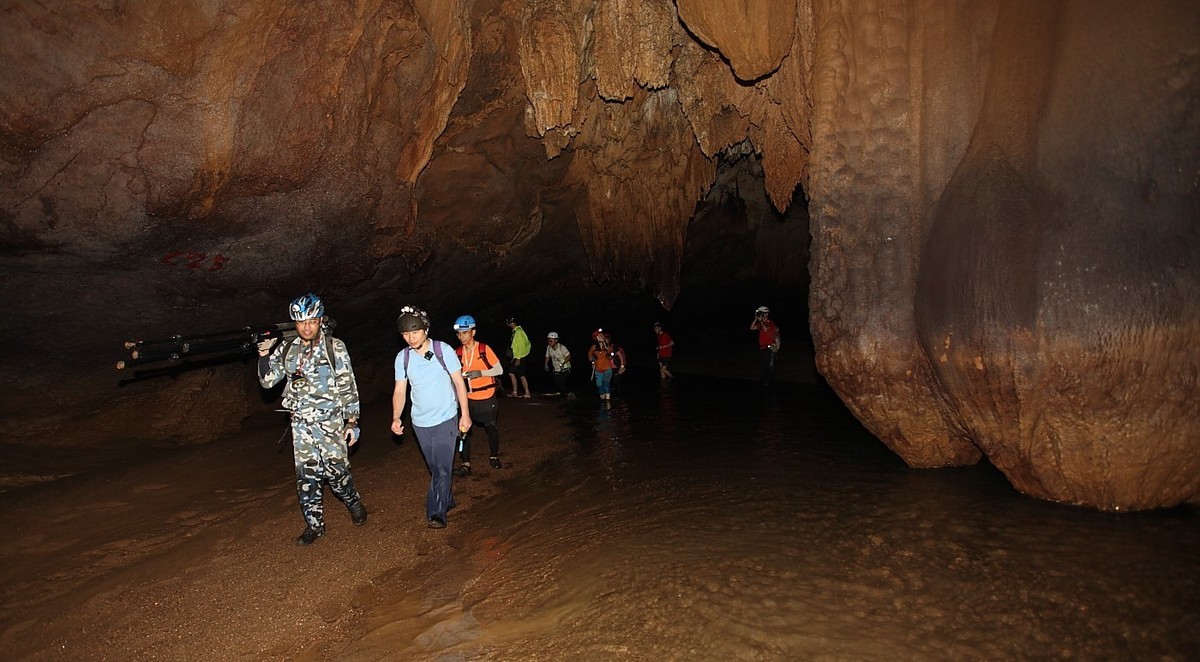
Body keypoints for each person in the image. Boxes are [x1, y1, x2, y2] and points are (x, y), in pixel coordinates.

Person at [256, 293, 367, 546]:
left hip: (330, 423)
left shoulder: (334, 346)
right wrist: (263, 354)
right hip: (301, 425)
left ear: (320, 320)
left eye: (312, 321)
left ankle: (353, 501)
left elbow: (348, 385)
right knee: (306, 476)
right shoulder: (286, 348)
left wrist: (352, 422)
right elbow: (268, 380)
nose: (307, 327)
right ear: (294, 323)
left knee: (337, 474)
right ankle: (314, 525)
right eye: (301, 322)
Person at [390, 306, 473, 528]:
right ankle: (448, 499)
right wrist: (396, 416)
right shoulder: (403, 358)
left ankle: (436, 513)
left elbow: (459, 382)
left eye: (414, 332)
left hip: (447, 417)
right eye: (406, 334)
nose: (410, 338)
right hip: (420, 422)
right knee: (435, 466)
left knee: (443, 467)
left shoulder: (442, 350)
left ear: (425, 329)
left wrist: (465, 415)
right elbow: (400, 390)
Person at [451, 315, 504, 475]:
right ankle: (466, 463)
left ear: (473, 332)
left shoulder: (484, 349)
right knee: (464, 430)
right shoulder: (457, 352)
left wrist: (480, 373)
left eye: (465, 333)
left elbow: (499, 369)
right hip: (467, 399)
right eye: (459, 334)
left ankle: (494, 456)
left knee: (491, 428)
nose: (462, 337)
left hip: (486, 397)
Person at [750, 305, 781, 386]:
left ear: (766, 314)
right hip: (762, 348)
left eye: (762, 314)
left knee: (771, 367)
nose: (761, 315)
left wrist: (761, 321)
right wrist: (756, 319)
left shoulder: (770, 323)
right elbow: (752, 328)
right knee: (764, 367)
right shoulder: (761, 323)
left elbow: (766, 330)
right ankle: (765, 383)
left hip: (770, 348)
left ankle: (774, 383)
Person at [587, 328, 619, 400]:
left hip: (607, 368)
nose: (601, 336)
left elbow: (610, 353)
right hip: (598, 369)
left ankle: (608, 401)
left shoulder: (606, 346)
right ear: (596, 338)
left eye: (602, 335)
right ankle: (603, 401)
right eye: (599, 335)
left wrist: (605, 344)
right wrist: (593, 359)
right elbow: (589, 357)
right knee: (599, 385)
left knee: (606, 383)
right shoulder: (593, 347)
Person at [505, 316, 532, 398]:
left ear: (511, 323)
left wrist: (518, 358)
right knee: (521, 374)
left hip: (520, 356)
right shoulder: (516, 331)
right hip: (518, 356)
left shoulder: (518, 332)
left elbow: (520, 346)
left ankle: (517, 392)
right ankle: (524, 393)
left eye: (508, 323)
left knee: (512, 373)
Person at [543, 331, 572, 396]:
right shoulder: (549, 347)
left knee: (562, 382)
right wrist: (546, 364)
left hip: (565, 367)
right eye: (549, 340)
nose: (549, 342)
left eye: (551, 340)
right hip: (556, 368)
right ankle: (561, 394)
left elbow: (569, 356)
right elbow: (547, 356)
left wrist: (563, 363)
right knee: (557, 382)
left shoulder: (562, 347)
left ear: (556, 340)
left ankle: (568, 394)